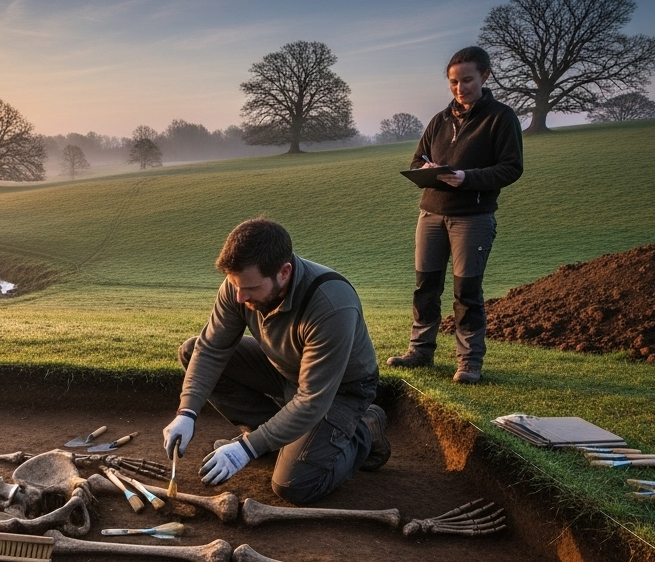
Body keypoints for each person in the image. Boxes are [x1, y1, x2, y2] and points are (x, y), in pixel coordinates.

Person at [161, 217, 391, 505]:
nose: (241, 297)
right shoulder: (240, 287)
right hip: (285, 369)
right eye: (235, 286)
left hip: (340, 390)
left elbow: (312, 399)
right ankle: (270, 443)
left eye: (251, 288)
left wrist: (245, 448)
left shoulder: (332, 304)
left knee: (294, 486)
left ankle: (364, 432)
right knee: (191, 350)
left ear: (284, 272)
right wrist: (187, 412)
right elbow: (210, 350)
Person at [386, 46, 523, 384]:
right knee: (425, 286)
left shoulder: (501, 118)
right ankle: (420, 351)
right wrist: (427, 169)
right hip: (430, 214)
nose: (460, 88)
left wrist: (466, 178)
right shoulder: (439, 119)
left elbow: (511, 168)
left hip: (472, 218)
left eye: (467, 80)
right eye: (453, 82)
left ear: (485, 76)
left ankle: (469, 363)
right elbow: (417, 160)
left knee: (467, 292)